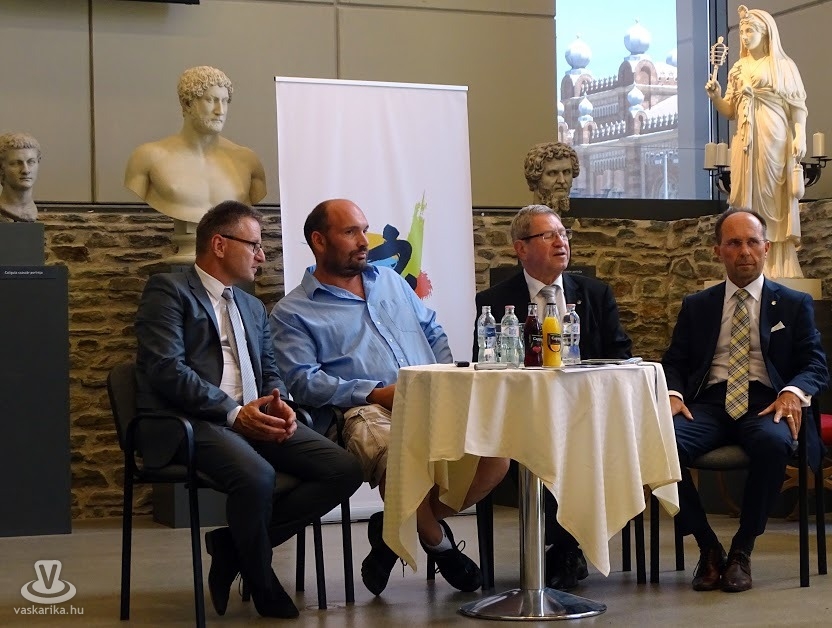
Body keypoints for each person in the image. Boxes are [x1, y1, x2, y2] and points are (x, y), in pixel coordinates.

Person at [134, 200, 362, 619]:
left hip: (252, 417)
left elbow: (270, 369)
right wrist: (233, 413)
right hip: (193, 421)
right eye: (254, 245)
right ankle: (262, 581)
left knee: (344, 469)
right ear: (219, 245)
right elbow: (167, 370)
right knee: (257, 476)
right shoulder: (169, 291)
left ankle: (232, 548)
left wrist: (279, 403)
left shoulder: (252, 306)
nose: (262, 256)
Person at [269, 198, 509, 596]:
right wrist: (375, 393)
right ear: (319, 240)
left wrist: (446, 379)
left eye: (364, 230)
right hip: (362, 410)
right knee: (394, 455)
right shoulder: (292, 311)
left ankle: (392, 528)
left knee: (496, 456)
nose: (365, 240)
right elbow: (304, 382)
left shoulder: (391, 281)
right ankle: (439, 544)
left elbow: (432, 331)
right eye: (351, 232)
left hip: (433, 396)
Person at [662, 208, 827, 593]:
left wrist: (792, 392)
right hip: (709, 403)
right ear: (718, 250)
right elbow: (675, 361)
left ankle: (742, 549)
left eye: (753, 242)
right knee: (660, 443)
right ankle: (707, 546)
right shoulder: (698, 305)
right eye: (734, 243)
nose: (744, 251)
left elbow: (815, 363)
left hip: (768, 401)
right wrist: (671, 394)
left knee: (773, 443)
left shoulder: (794, 303)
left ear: (766, 248)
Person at [474, 204, 632, 590]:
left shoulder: (595, 294)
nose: (561, 241)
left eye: (563, 234)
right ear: (521, 248)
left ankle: (564, 548)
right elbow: (485, 366)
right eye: (549, 235)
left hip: (587, 414)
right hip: (523, 418)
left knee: (582, 447)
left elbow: (620, 354)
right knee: (531, 450)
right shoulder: (494, 302)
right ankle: (565, 548)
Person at [705, 6, 807, 279]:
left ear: (766, 34)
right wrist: (716, 97)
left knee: (774, 196)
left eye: (751, 30)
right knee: (744, 194)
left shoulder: (783, 66)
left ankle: (779, 262)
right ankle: (748, 257)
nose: (745, 35)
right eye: (743, 31)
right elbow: (730, 110)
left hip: (774, 137)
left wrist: (800, 135)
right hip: (745, 141)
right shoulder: (738, 68)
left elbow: (797, 107)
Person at [124, 66, 266, 225]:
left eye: (225, 101)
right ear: (187, 104)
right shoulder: (148, 158)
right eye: (210, 100)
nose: (220, 111)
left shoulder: (248, 161)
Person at [523, 142, 580, 213]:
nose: (562, 180)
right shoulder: (525, 220)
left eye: (566, 172)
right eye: (552, 173)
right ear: (535, 178)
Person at [0, 132, 41, 223]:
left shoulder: (32, 211)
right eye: (16, 163)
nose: (25, 170)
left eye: (31, 162)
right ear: (1, 168)